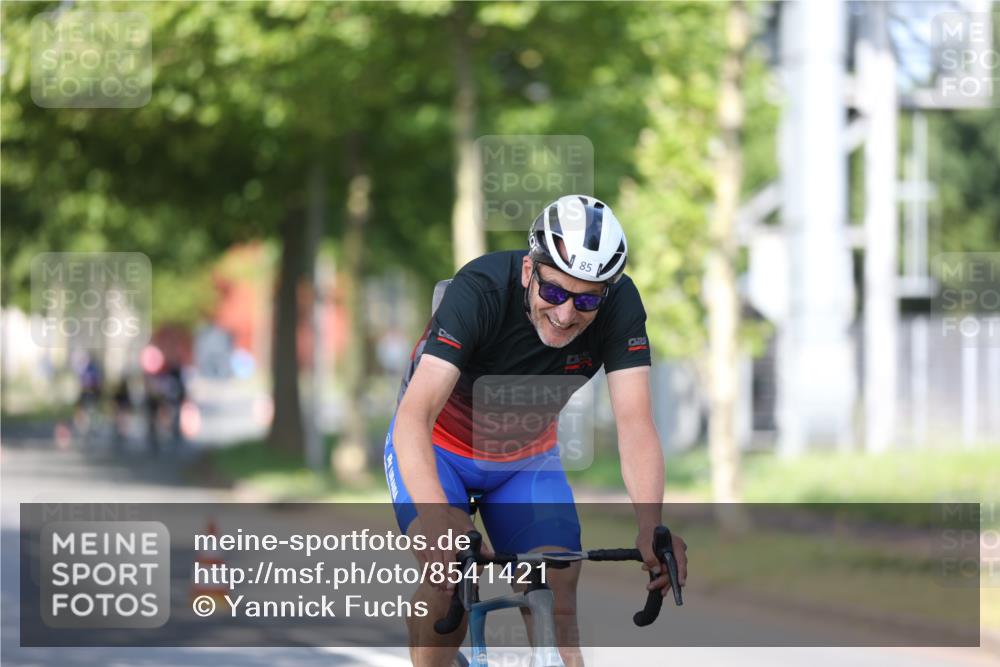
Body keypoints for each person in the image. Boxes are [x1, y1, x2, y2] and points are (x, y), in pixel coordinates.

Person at [384, 195, 688, 667]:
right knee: (449, 586)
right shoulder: (480, 290)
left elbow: (635, 424)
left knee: (558, 586)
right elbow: (414, 416)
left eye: (586, 299)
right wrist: (436, 516)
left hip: (522, 459)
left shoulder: (620, 306)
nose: (567, 314)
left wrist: (650, 524)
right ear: (529, 270)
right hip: (438, 448)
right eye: (554, 293)